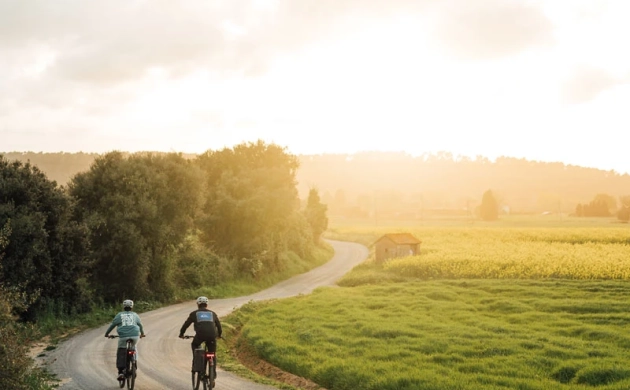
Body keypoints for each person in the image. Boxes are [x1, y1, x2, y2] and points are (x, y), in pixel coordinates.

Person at [179, 296, 222, 382]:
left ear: (198, 304)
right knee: (212, 353)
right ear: (207, 304)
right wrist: (219, 335)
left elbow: (186, 324)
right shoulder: (212, 313)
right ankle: (212, 374)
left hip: (200, 336)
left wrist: (181, 334)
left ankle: (198, 362)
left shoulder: (194, 313)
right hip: (212, 336)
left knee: (194, 344)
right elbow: (219, 326)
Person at [104, 299, 145, 380]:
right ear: (132, 307)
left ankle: (121, 372)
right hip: (135, 336)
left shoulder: (119, 315)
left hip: (123, 337)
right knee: (134, 348)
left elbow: (112, 325)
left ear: (123, 307)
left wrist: (106, 334)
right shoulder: (135, 315)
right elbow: (140, 325)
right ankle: (134, 365)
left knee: (121, 351)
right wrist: (142, 334)